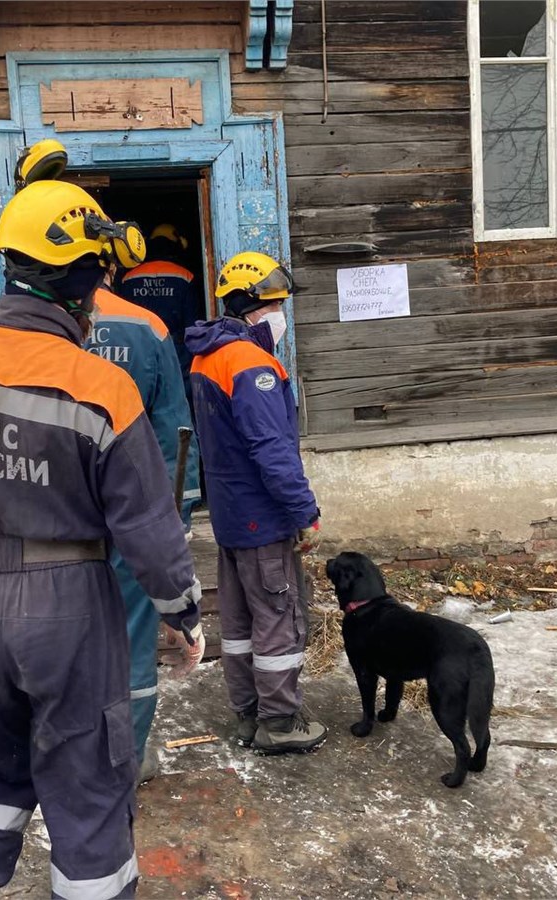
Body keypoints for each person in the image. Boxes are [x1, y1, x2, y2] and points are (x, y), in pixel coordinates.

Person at [0, 178, 203, 899]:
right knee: (85, 780)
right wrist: (181, 611)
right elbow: (146, 525)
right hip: (67, 608)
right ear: (87, 280)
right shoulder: (99, 387)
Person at [184, 251, 326, 755]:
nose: (280, 316)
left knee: (241, 622)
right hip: (261, 516)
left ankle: (248, 714)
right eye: (275, 305)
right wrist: (304, 512)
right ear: (251, 308)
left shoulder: (207, 356)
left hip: (228, 515)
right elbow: (271, 448)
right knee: (277, 619)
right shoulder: (250, 363)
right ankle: (281, 723)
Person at [87, 266, 203, 778]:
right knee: (133, 641)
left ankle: (64, 763)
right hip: (128, 520)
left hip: (48, 522)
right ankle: (125, 761)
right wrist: (177, 520)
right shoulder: (150, 329)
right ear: (110, 268)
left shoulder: (18, 335)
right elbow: (174, 433)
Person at [120, 225, 201, 389]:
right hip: (176, 350)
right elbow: (193, 324)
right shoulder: (185, 276)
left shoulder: (128, 278)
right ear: (176, 245)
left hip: (137, 348)